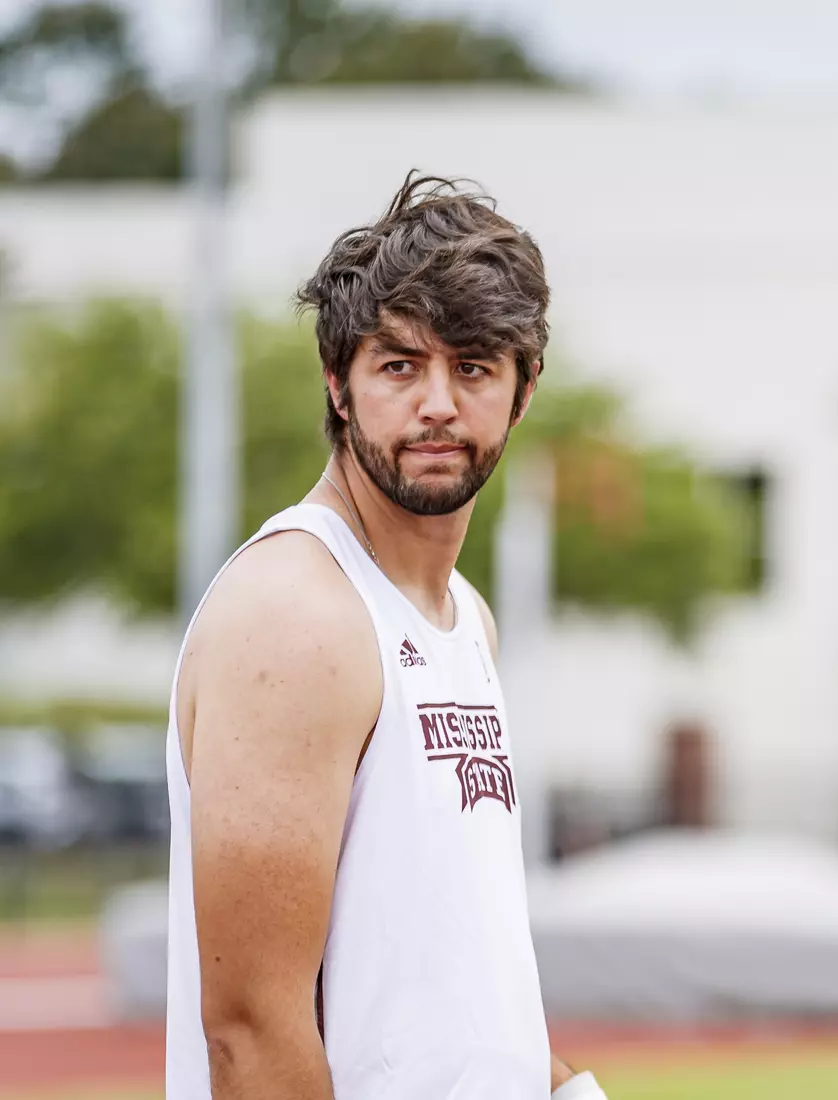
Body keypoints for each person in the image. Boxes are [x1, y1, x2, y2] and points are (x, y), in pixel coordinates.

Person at [164, 174, 609, 1099]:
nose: (438, 404)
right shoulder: (298, 614)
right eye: (400, 366)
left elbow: (444, 979)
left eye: (474, 366)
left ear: (523, 391)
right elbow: (251, 1030)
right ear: (339, 381)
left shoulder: (463, 618)